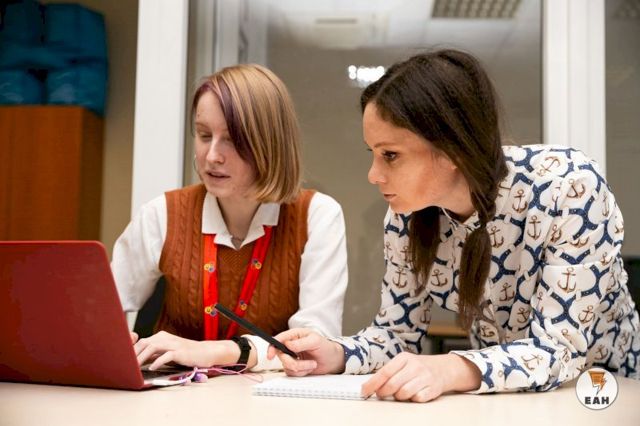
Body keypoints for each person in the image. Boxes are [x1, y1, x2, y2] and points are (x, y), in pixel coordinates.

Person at [269, 49, 640, 401]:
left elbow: (560, 350)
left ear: (452, 150)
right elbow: (397, 334)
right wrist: (336, 354)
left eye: (390, 155)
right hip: (504, 401)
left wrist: (449, 369)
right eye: (374, 153)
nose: (373, 175)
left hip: (607, 393)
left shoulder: (569, 187)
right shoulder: (406, 216)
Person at [111, 64, 348, 372]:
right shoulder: (162, 213)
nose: (211, 156)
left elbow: (312, 346)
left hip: (269, 397)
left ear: (269, 144)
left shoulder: (317, 216)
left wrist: (219, 352)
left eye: (232, 139)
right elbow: (100, 310)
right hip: (173, 393)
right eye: (204, 135)